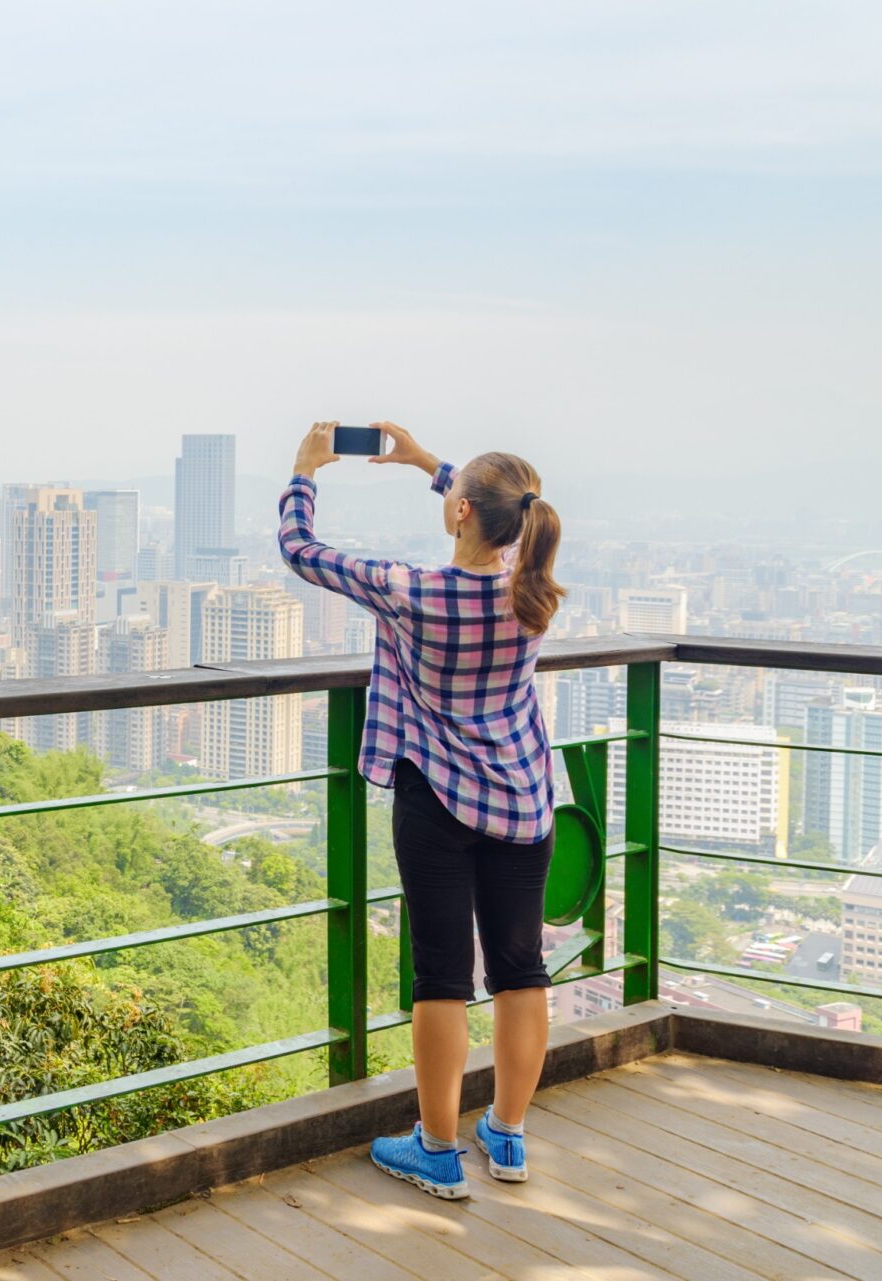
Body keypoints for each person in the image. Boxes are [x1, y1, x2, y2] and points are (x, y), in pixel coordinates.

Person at [278, 420, 565, 1200]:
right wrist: (431, 464)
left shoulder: (416, 590)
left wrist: (306, 469)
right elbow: (510, 512)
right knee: (520, 967)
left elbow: (303, 552)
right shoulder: (532, 589)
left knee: (441, 974)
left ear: (464, 513)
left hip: (436, 797)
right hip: (521, 798)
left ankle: (437, 1148)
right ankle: (506, 1136)